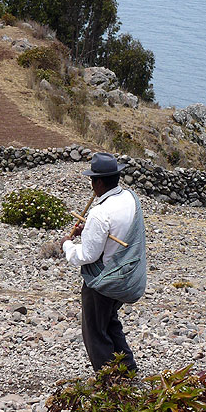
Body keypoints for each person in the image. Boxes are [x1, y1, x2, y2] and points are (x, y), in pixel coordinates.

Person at [60, 152, 147, 372]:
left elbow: (88, 255)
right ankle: (128, 369)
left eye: (92, 180)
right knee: (110, 323)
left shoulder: (100, 212)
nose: (91, 186)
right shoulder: (130, 199)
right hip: (127, 277)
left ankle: (111, 382)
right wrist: (88, 231)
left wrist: (67, 246)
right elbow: (112, 233)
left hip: (105, 281)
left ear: (99, 182)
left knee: (95, 332)